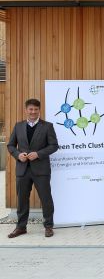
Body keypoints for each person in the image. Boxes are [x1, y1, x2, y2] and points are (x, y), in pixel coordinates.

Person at [7, 98, 59, 238]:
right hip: (23, 169)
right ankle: (21, 227)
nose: (33, 112)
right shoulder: (18, 126)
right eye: (30, 109)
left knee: (46, 198)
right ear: (26, 110)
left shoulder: (47, 126)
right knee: (22, 200)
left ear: (39, 110)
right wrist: (18, 155)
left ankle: (48, 226)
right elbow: (10, 145)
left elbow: (54, 146)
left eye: (36, 109)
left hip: (41, 170)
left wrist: (38, 154)